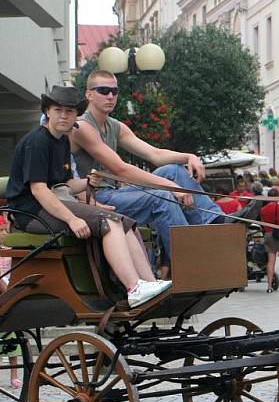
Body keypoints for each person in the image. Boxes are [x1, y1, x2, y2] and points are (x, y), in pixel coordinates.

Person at [70, 70, 259, 265]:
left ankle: (215, 222)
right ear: (89, 95)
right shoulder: (83, 127)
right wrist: (170, 187)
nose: (110, 96)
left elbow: (155, 154)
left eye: (114, 91)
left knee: (174, 170)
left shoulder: (115, 126)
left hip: (114, 193)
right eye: (103, 90)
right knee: (164, 198)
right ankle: (191, 263)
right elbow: (121, 169)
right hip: (93, 198)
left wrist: (189, 156)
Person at [6, 85, 170, 308]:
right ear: (47, 111)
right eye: (58, 110)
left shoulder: (62, 140)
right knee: (108, 222)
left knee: (124, 222)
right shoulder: (38, 141)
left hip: (50, 204)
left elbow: (65, 184)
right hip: (30, 213)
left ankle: (149, 284)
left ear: (76, 114)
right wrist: (72, 219)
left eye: (70, 111)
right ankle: (134, 288)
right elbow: (39, 190)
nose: (64, 115)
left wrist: (88, 182)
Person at [0, 215, 21, 389]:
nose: (3, 234)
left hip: (10, 289)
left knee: (12, 342)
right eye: (0, 231)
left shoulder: (10, 249)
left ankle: (14, 375)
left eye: (4, 230)